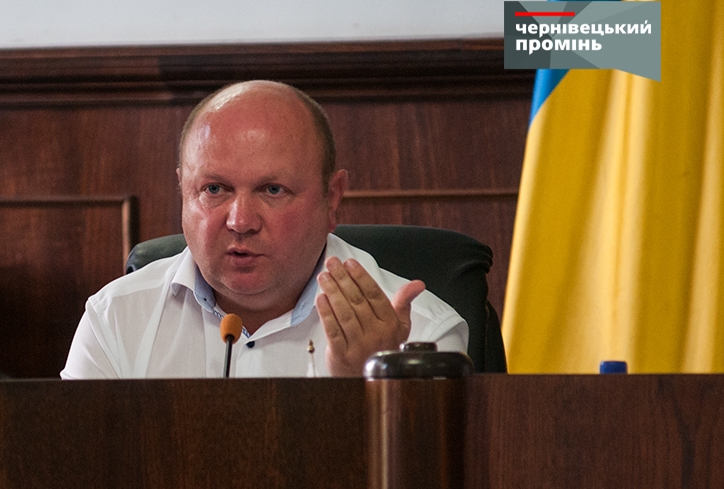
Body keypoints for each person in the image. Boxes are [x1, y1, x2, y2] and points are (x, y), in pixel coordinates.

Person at [61, 80, 467, 379]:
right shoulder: (115, 319)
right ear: (183, 190)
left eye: (272, 190)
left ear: (331, 197)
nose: (240, 221)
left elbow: (418, 473)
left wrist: (363, 385)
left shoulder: (420, 334)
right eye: (214, 189)